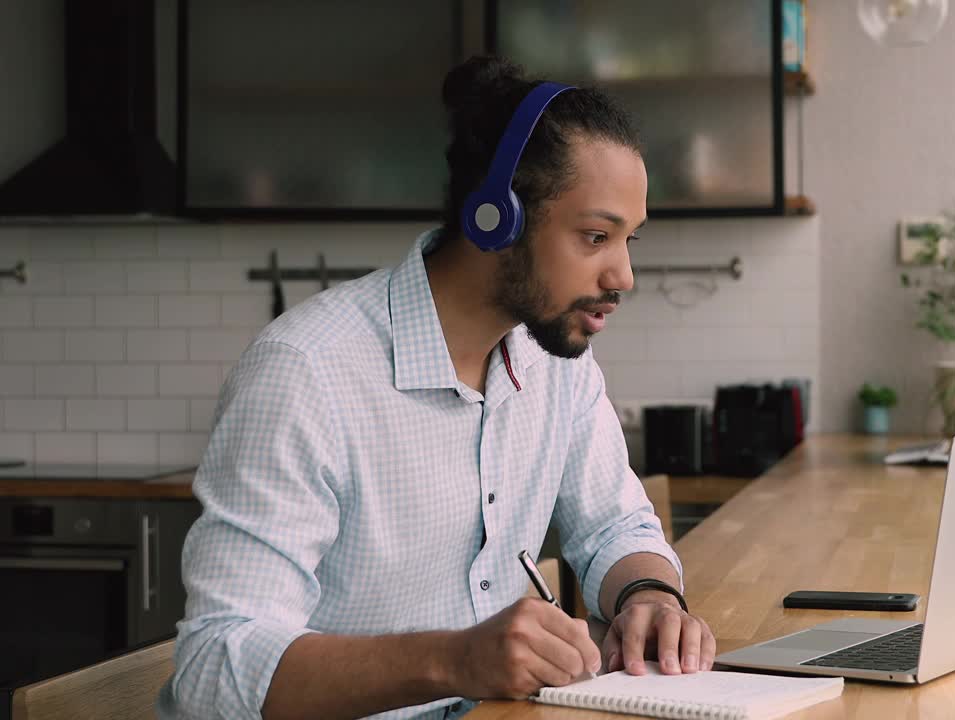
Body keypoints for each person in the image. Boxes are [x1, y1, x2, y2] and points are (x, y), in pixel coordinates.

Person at [157, 56, 716, 720]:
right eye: (596, 236)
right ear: (494, 218)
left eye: (629, 240)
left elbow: (614, 524)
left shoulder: (557, 363)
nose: (623, 275)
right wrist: (454, 661)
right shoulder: (306, 373)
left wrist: (648, 596)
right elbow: (215, 664)